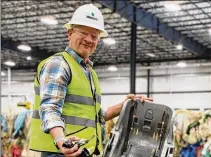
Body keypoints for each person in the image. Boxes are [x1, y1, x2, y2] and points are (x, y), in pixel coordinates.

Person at [29, 3, 152, 157]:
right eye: (83, 32)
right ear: (70, 33)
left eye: (94, 36)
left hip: (82, 151)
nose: (88, 39)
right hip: (62, 152)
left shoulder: (88, 72)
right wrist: (61, 141)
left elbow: (96, 116)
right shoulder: (59, 64)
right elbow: (49, 108)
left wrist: (126, 105)